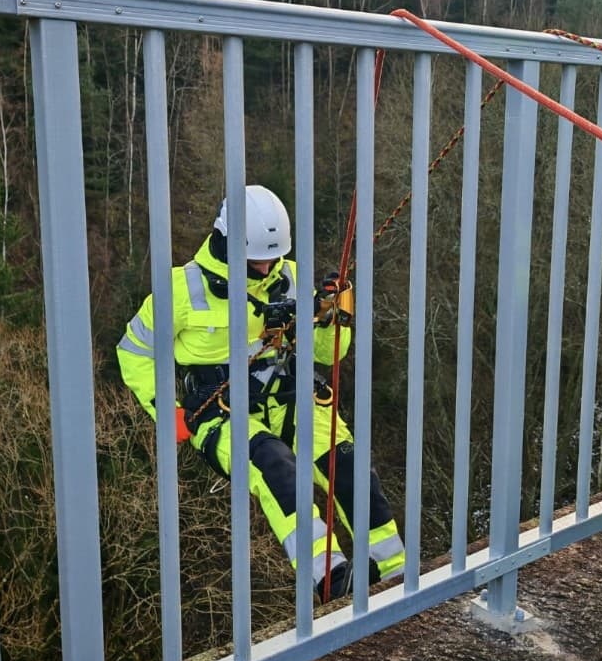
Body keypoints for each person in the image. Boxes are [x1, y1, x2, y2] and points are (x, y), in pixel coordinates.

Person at [117, 184, 406, 603]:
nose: (268, 265)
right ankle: (330, 577)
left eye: (273, 256)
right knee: (277, 468)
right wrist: (168, 411)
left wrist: (332, 317)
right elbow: (134, 351)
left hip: (292, 399)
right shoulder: (181, 290)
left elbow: (328, 354)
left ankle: (391, 568)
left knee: (351, 468)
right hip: (222, 413)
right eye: (257, 260)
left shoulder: (288, 276)